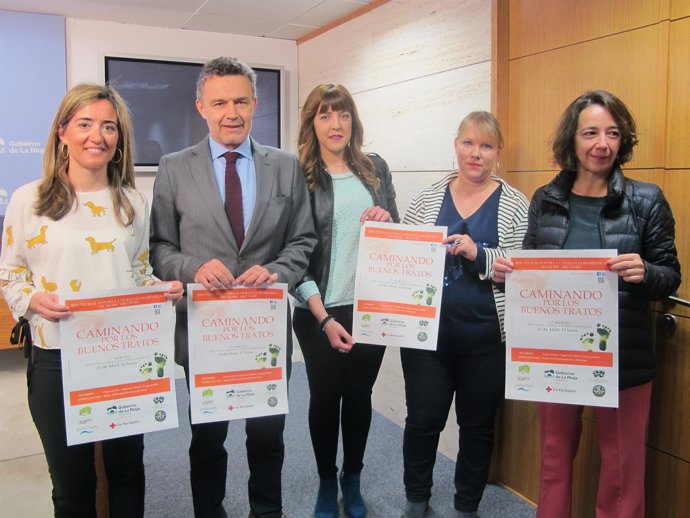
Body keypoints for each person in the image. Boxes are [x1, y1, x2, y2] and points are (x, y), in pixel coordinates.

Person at [493, 90, 681, 518]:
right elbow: (529, 269)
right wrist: (508, 276)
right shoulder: (546, 198)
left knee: (622, 471)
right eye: (591, 132)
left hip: (623, 358)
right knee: (554, 463)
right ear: (572, 141)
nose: (602, 144)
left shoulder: (646, 200)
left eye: (613, 133)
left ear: (623, 140)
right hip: (556, 355)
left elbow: (669, 274)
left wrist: (646, 272)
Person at [0, 83, 183, 518]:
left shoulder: (134, 203)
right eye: (84, 124)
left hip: (122, 357)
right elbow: (12, 274)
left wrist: (162, 290)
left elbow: (138, 272)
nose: (96, 136)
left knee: (126, 473)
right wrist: (31, 302)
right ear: (62, 132)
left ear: (119, 140)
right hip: (56, 359)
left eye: (108, 127)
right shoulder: (29, 200)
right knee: (71, 486)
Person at [149, 57, 316, 518]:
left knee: (267, 437)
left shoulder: (285, 166)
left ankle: (267, 511)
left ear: (255, 104)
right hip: (207, 332)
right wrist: (194, 266)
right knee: (208, 439)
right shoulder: (173, 167)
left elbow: (303, 239)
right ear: (201, 106)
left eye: (241, 100)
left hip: (263, 332)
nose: (232, 112)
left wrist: (278, 270)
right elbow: (159, 247)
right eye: (220, 102)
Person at [400, 111, 529, 518]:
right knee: (423, 422)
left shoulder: (514, 204)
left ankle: (466, 506)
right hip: (426, 339)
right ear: (456, 145)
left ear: (498, 153)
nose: (476, 153)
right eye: (469, 143)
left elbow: (524, 267)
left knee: (476, 427)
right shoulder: (426, 199)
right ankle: (416, 500)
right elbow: (401, 257)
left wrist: (481, 256)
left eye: (486, 145)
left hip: (486, 340)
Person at [292, 83, 399, 518]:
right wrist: (320, 315)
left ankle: (351, 479)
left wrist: (388, 219)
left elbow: (398, 236)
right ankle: (324, 480)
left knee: (359, 396)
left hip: (371, 306)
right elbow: (292, 253)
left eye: (343, 114)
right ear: (312, 123)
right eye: (324, 115)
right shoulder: (297, 175)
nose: (335, 124)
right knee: (324, 396)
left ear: (353, 121)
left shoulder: (376, 169)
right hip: (318, 307)